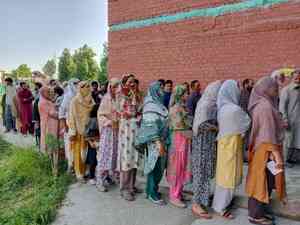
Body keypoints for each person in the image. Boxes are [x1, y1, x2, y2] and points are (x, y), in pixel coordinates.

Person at [246, 76, 287, 225]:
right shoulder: (265, 107)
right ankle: (255, 216)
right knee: (261, 183)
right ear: (265, 89)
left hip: (264, 150)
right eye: (274, 89)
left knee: (267, 182)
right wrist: (277, 156)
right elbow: (267, 133)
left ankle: (260, 212)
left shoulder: (263, 104)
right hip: (266, 151)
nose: (276, 91)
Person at [212, 80, 251, 219]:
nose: (239, 91)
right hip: (232, 145)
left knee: (223, 175)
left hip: (224, 144)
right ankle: (221, 207)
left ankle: (219, 203)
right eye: (237, 89)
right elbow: (247, 121)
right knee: (229, 176)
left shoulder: (222, 108)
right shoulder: (234, 109)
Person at [191, 80, 223, 219]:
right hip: (201, 145)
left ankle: (202, 200)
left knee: (206, 172)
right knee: (200, 172)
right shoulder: (205, 105)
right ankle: (196, 203)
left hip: (208, 145)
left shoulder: (212, 105)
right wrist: (216, 128)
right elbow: (201, 125)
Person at [137, 81, 169, 205]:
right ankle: (152, 194)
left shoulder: (158, 104)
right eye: (160, 88)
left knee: (159, 168)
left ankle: (151, 190)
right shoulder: (150, 105)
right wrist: (158, 143)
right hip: (155, 143)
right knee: (154, 167)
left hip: (162, 141)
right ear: (154, 90)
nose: (162, 90)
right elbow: (150, 126)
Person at [167, 85, 192, 208]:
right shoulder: (176, 109)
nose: (188, 95)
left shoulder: (182, 107)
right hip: (178, 140)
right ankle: (174, 196)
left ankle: (179, 191)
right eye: (186, 93)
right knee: (177, 168)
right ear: (180, 95)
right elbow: (180, 127)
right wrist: (194, 135)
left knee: (182, 167)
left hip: (184, 140)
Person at [118, 75, 141, 201]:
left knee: (134, 157)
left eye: (133, 82)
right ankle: (124, 189)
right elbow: (121, 112)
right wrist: (133, 115)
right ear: (124, 83)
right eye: (129, 82)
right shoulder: (120, 96)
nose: (132, 84)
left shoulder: (135, 95)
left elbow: (137, 110)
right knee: (126, 159)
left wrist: (138, 115)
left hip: (135, 130)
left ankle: (132, 186)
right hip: (126, 130)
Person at [96, 78, 120, 192]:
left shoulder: (118, 98)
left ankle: (109, 176)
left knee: (114, 154)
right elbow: (100, 115)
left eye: (117, 86)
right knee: (105, 154)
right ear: (110, 87)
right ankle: (100, 180)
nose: (116, 88)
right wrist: (109, 122)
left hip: (117, 131)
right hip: (108, 131)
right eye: (114, 86)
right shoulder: (106, 99)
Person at [68, 81, 94, 181]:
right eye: (84, 87)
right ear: (79, 88)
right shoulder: (75, 101)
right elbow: (71, 117)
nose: (87, 89)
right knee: (79, 153)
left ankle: (87, 171)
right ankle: (79, 174)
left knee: (88, 153)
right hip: (79, 131)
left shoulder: (91, 101)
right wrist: (73, 131)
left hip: (89, 130)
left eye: (88, 86)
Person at [279, 69, 300, 167]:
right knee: (288, 140)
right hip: (290, 120)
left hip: (298, 119)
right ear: (292, 77)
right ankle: (284, 160)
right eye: (296, 77)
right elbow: (282, 107)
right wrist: (284, 119)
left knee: (297, 139)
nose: (297, 78)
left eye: (299, 76)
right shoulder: (286, 90)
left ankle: (293, 158)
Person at [38, 86, 61, 175]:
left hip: (49, 125)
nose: (50, 94)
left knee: (52, 148)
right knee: (53, 148)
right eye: (48, 92)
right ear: (43, 93)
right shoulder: (44, 102)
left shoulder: (44, 101)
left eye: (50, 92)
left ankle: (55, 168)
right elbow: (52, 113)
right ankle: (55, 169)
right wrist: (62, 114)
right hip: (50, 126)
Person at [59, 78, 80, 172]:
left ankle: (79, 165)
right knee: (69, 145)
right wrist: (65, 125)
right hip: (69, 124)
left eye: (78, 83)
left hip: (79, 124)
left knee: (79, 145)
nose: (77, 85)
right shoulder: (67, 96)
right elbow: (61, 112)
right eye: (75, 83)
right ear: (71, 84)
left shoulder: (81, 95)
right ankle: (70, 166)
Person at [32, 82, 43, 148]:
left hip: (41, 116)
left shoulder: (41, 94)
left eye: (35, 86)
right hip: (38, 116)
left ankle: (40, 143)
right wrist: (35, 120)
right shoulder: (37, 99)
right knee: (38, 129)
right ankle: (38, 143)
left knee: (40, 130)